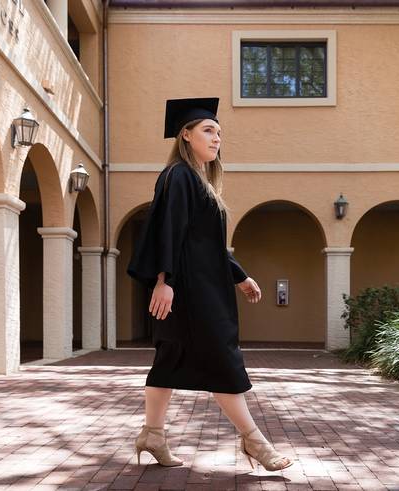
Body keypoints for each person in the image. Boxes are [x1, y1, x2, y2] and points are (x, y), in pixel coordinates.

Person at [127, 97, 293, 472]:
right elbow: (170, 231)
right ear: (185, 135)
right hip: (189, 293)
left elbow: (209, 245)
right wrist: (164, 280)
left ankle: (152, 435)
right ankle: (255, 442)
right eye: (207, 130)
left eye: (219, 132)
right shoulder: (179, 176)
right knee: (222, 359)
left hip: (202, 287)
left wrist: (240, 275)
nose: (216, 138)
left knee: (169, 361)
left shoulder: (198, 180)